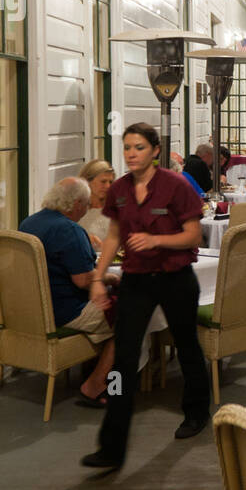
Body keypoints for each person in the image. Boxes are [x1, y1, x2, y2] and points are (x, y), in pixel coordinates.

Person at [81, 122, 211, 471]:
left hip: (175, 278)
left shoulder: (176, 185)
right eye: (126, 148)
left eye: (138, 147)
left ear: (155, 150)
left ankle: (197, 412)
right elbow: (112, 235)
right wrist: (97, 279)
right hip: (136, 281)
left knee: (187, 346)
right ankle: (112, 444)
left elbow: (193, 236)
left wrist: (156, 241)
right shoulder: (120, 189)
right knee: (122, 358)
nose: (131, 154)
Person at [20, 179, 117, 406]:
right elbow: (83, 280)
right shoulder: (69, 230)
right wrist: (112, 277)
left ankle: (94, 373)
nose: (86, 209)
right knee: (133, 316)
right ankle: (99, 385)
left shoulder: (28, 223)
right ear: (77, 204)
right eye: (85, 204)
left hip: (34, 308)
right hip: (66, 310)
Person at [78, 159, 115, 251]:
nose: (108, 186)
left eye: (110, 182)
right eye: (103, 182)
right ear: (87, 182)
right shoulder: (75, 210)